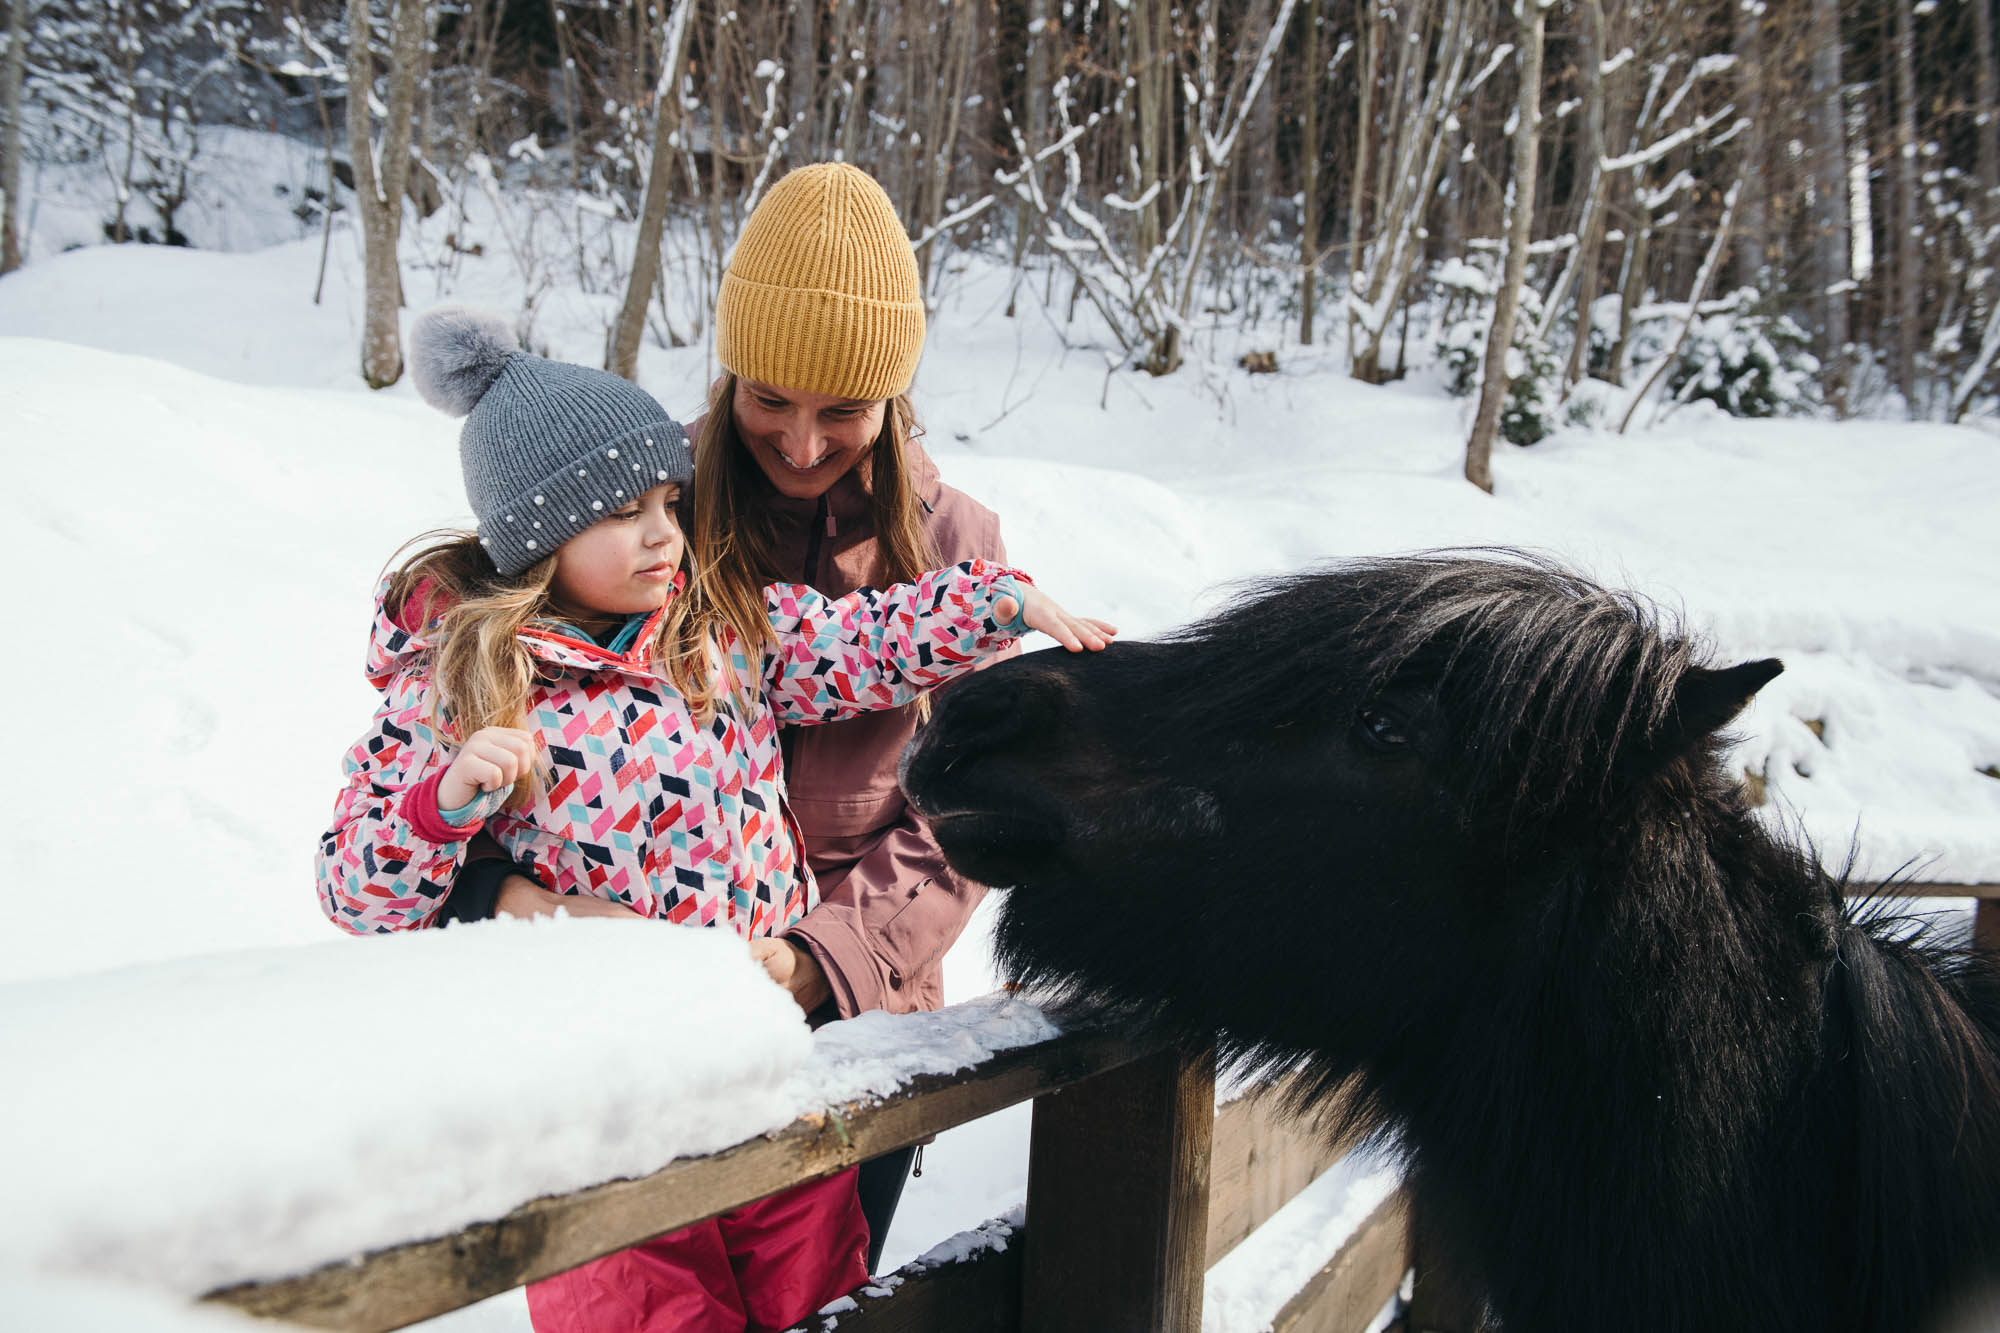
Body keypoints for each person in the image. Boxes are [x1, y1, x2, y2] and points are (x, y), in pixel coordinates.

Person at [315, 304, 1114, 1333]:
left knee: (818, 1302)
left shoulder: (717, 629)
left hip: (764, 1064)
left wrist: (990, 602)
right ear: (537, 537)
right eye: (619, 514)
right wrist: (441, 807)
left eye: (665, 501)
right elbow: (356, 887)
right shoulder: (464, 683)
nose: (661, 532)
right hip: (597, 1109)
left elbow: (857, 641)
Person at [441, 162, 1032, 1269]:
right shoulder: (639, 494)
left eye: (843, 410)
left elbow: (970, 810)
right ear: (727, 369)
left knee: (814, 1294)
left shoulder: (957, 545)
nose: (802, 445)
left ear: (894, 395)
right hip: (631, 1001)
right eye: (768, 398)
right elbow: (501, 678)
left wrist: (823, 957)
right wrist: (504, 894)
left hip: (858, 1019)